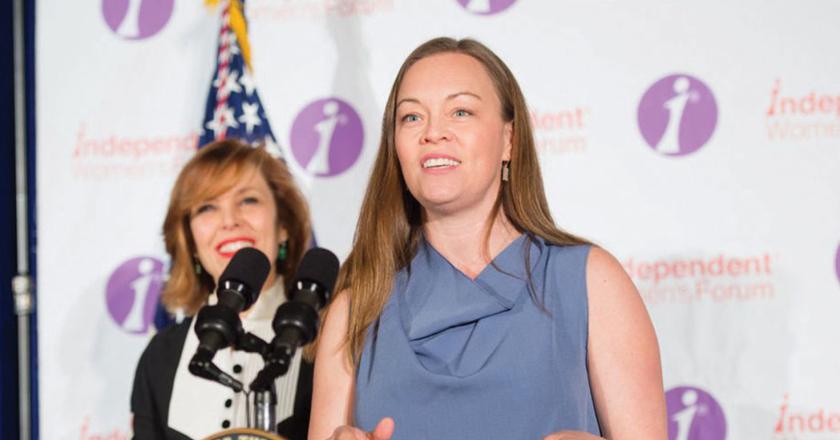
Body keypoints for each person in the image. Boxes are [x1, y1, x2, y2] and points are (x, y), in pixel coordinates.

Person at [309, 37, 667, 440]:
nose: (433, 133)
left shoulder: (590, 282)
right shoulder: (356, 308)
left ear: (509, 139)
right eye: (411, 117)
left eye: (460, 111)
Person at [131, 139, 313, 439]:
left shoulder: (330, 341)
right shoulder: (161, 355)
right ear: (189, 240)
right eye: (207, 207)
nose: (229, 221)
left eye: (248, 200)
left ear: (284, 226)